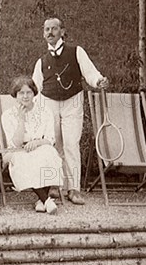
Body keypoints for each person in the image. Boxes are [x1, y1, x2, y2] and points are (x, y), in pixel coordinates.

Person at [32, 17, 109, 205]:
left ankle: (74, 189)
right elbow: (35, 88)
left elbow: (90, 73)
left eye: (54, 29)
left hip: (72, 102)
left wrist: (98, 81)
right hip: (49, 102)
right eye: (46, 29)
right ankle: (55, 185)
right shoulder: (41, 61)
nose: (50, 32)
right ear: (43, 34)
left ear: (62, 31)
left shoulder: (77, 52)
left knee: (71, 145)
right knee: (52, 145)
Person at [1, 76, 62, 214]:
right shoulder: (8, 115)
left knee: (49, 153)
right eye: (21, 93)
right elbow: (14, 143)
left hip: (40, 146)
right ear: (15, 95)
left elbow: (50, 139)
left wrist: (37, 142)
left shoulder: (44, 111)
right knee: (25, 160)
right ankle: (46, 200)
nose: (25, 96)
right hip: (18, 150)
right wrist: (21, 120)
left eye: (28, 92)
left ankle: (42, 201)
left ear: (34, 93)